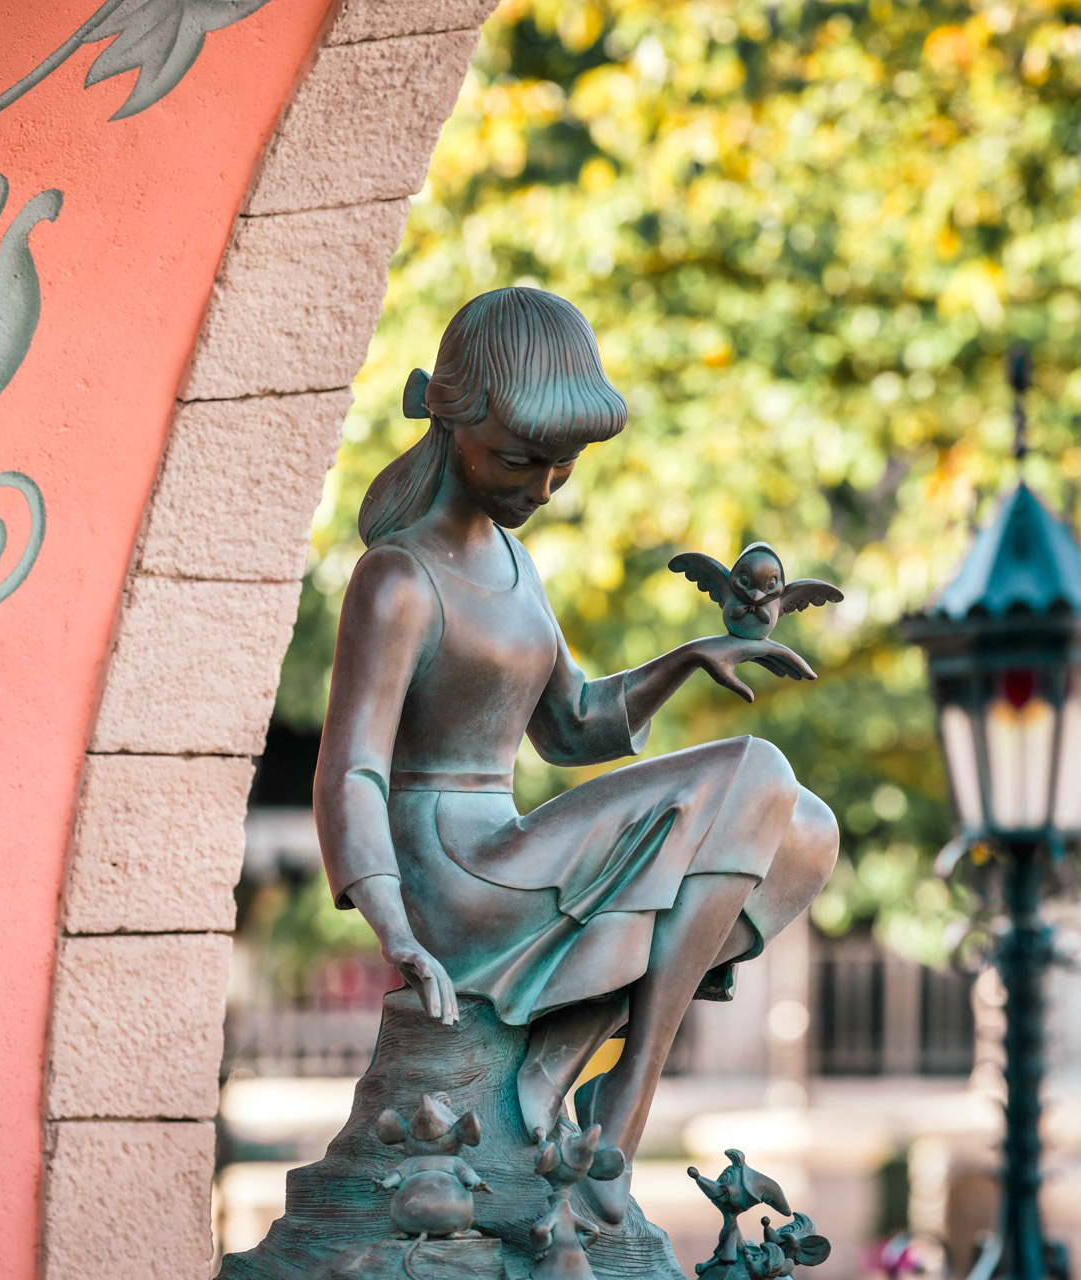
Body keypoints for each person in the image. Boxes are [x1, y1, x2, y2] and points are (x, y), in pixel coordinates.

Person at [315, 287, 838, 1223]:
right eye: (521, 460)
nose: (543, 489)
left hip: (511, 848)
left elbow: (571, 727)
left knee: (804, 832)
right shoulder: (397, 578)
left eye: (562, 468)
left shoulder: (518, 569)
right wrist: (393, 925)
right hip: (452, 874)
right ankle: (624, 1107)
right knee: (755, 773)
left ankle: (573, 1067)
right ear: (450, 418)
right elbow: (351, 766)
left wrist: (686, 660)